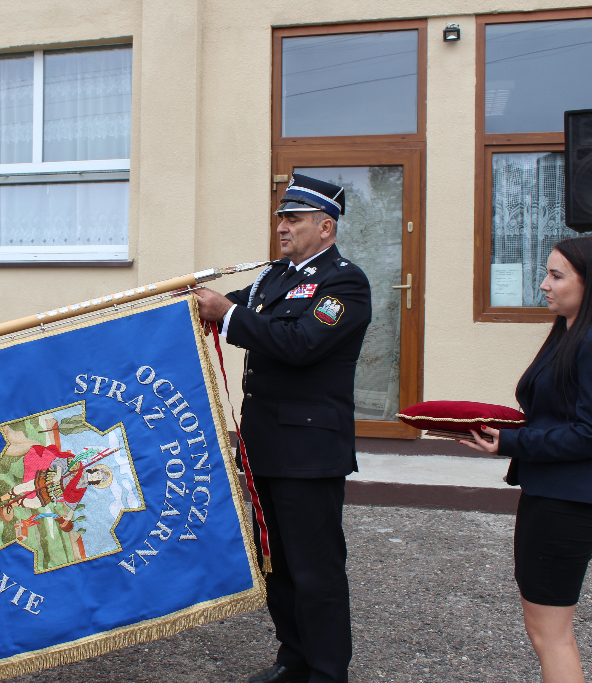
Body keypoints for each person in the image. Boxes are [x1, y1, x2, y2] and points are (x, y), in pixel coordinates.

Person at [193, 173, 372, 683]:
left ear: (326, 227)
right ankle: (293, 660)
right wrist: (186, 301)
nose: (282, 227)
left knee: (316, 571)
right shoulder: (274, 277)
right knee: (277, 565)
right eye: (280, 218)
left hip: (309, 452)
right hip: (265, 447)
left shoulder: (344, 282)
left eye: (293, 219)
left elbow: (300, 343)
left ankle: (327, 672)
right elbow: (222, 307)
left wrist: (227, 312)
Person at [461, 236, 592, 683]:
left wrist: (512, 443)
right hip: (553, 497)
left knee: (552, 636)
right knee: (546, 633)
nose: (544, 284)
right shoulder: (572, 334)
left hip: (569, 504)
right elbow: (558, 414)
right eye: (546, 273)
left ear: (591, 283)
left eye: (556, 276)